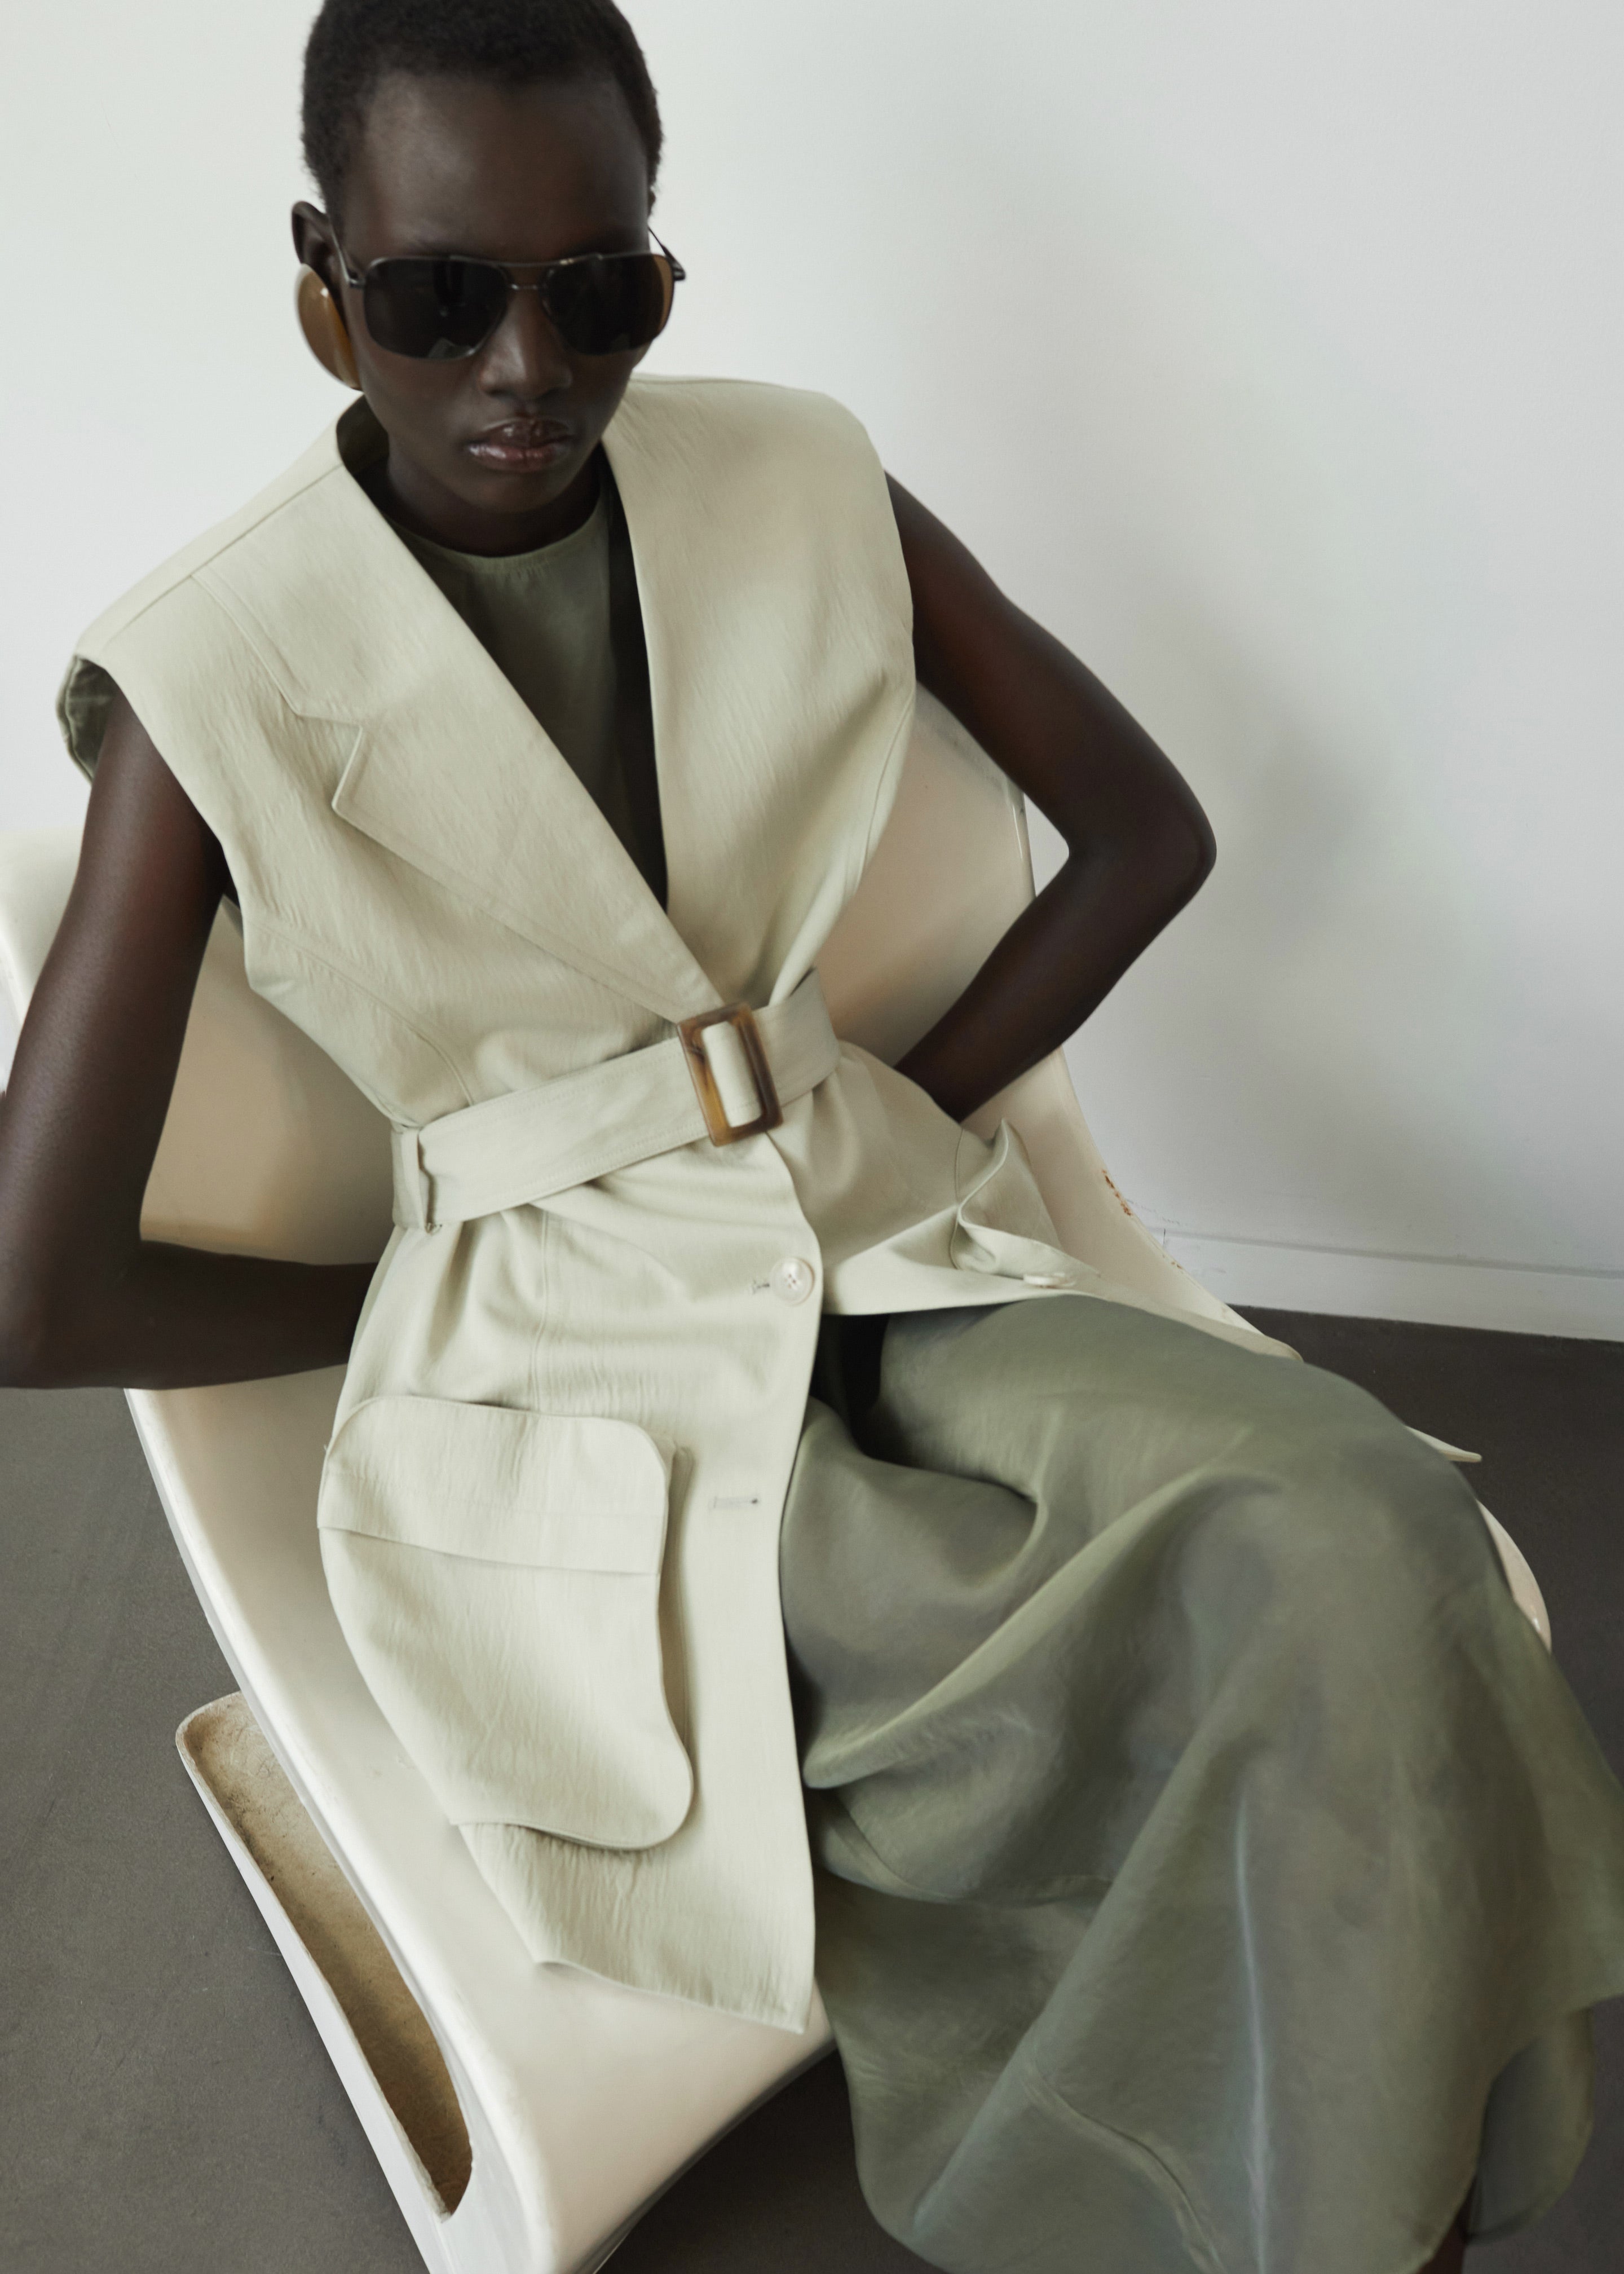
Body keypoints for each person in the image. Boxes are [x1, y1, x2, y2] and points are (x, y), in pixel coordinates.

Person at [3, 5, 1622, 2268]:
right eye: (439, 297)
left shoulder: (800, 476)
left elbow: (1145, 835)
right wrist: (435, 1303)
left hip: (877, 1224)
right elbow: (35, 1298)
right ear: (321, 279)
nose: (530, 370)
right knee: (1105, 1661)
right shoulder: (208, 671)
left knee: (1364, 1524)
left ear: (659, 269)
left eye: (603, 291)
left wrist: (878, 1109)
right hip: (560, 1369)